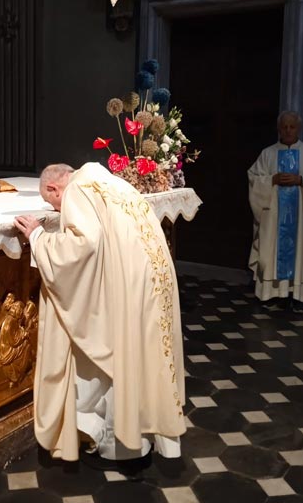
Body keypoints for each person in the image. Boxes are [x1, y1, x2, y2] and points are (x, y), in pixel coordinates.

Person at [14, 162, 186, 469]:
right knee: (139, 358)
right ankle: (142, 437)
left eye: (52, 202)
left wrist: (38, 237)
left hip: (129, 285)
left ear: (54, 187)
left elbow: (84, 245)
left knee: (114, 356)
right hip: (150, 282)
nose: (56, 209)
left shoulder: (77, 190)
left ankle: (123, 446)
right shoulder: (111, 182)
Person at [248, 111, 303, 313]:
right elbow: (253, 177)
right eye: (284, 127)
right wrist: (271, 180)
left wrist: (300, 180)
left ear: (298, 129)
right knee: (271, 249)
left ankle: (297, 296)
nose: (288, 130)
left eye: (292, 127)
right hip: (273, 216)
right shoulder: (268, 154)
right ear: (279, 129)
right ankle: (271, 294)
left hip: (299, 218)